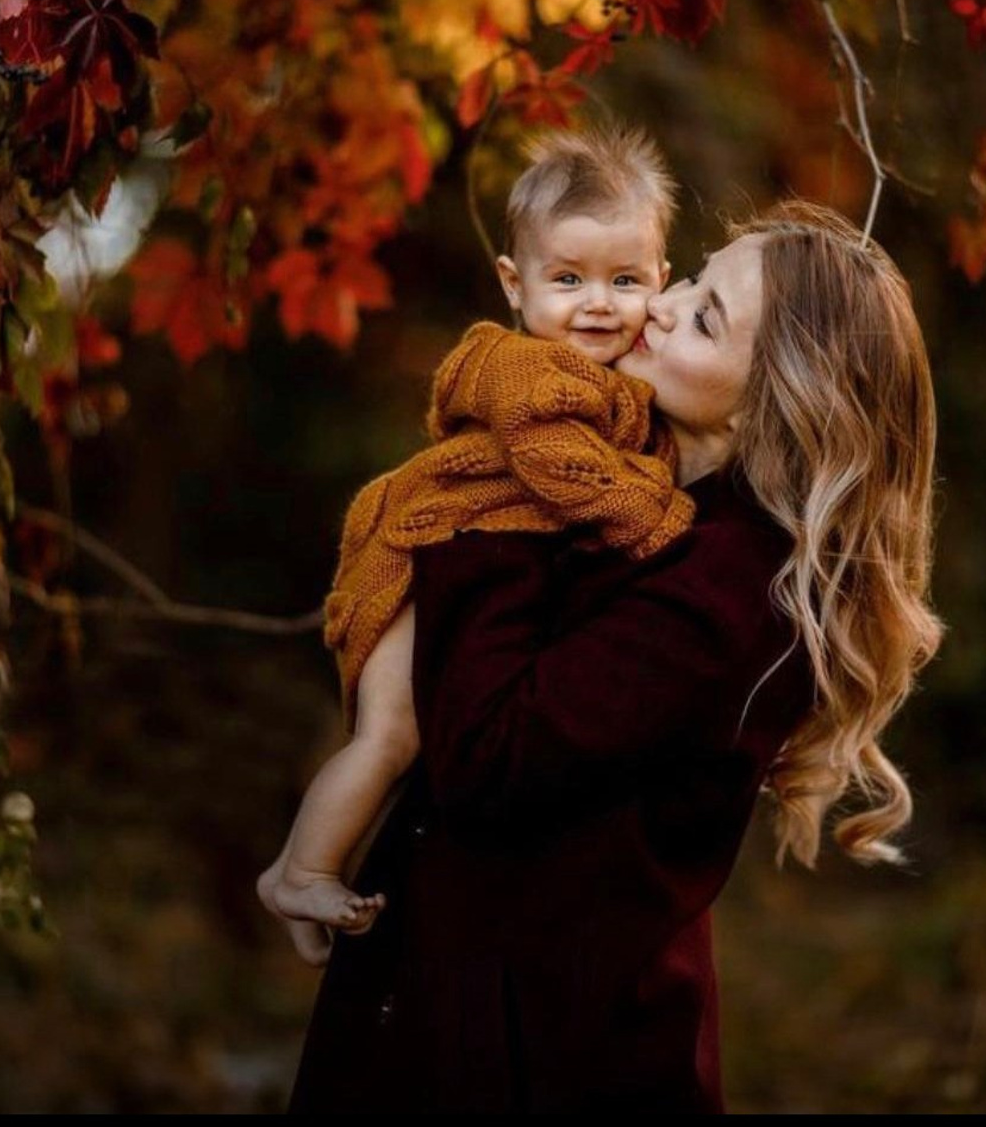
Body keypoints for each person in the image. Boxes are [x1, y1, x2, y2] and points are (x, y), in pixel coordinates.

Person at [263, 198, 946, 1113]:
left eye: (704, 318)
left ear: (776, 404)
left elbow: (487, 755)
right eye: (692, 278)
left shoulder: (736, 591)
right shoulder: (643, 490)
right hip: (438, 1002)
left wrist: (496, 502)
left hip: (541, 1058)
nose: (659, 304)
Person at [257, 123, 687, 946]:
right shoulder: (530, 373)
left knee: (415, 752)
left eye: (625, 279)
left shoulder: (616, 382)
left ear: (660, 283)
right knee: (391, 736)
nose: (599, 302)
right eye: (568, 278)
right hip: (413, 551)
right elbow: (560, 466)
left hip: (455, 548)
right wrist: (666, 520)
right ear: (514, 285)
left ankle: (318, 890)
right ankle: (299, 875)